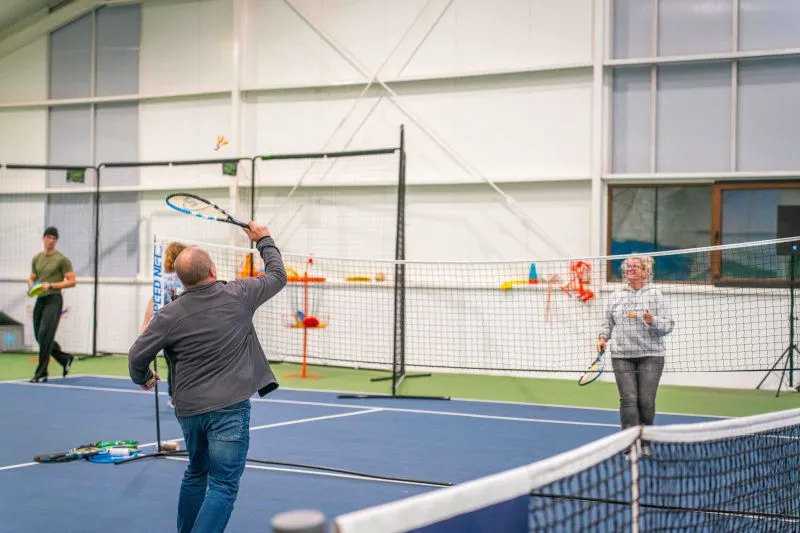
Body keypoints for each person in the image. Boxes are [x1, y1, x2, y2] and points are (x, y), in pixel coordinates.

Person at [128, 221, 286, 533]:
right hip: (229, 409)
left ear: (181, 280)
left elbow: (136, 356)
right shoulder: (240, 293)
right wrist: (264, 239)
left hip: (190, 411)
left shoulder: (168, 314)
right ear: (213, 270)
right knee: (223, 485)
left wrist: (143, 377)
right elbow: (278, 275)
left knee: (196, 472)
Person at [597, 255, 674, 456]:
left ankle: (645, 442)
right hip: (622, 355)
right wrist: (602, 337)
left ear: (646, 271)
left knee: (646, 402)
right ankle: (630, 443)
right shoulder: (616, 295)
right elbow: (607, 322)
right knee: (628, 399)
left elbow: (668, 326)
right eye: (628, 266)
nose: (630, 269)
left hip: (651, 355)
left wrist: (652, 320)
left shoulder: (655, 295)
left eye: (635, 266)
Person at [141, 241, 187, 408]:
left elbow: (153, 301)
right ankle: (183, 396)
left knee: (172, 364)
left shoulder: (163, 280)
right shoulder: (188, 278)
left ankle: (175, 397)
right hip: (186, 327)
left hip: (167, 329)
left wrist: (145, 324)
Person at [28, 226, 77, 383]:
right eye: (49, 237)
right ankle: (64, 358)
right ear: (43, 238)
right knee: (39, 335)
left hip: (54, 300)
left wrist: (52, 285)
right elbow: (32, 277)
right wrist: (31, 287)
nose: (51, 240)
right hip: (40, 299)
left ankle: (41, 373)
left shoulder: (62, 260)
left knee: (44, 334)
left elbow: (72, 281)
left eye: (54, 238)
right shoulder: (37, 258)